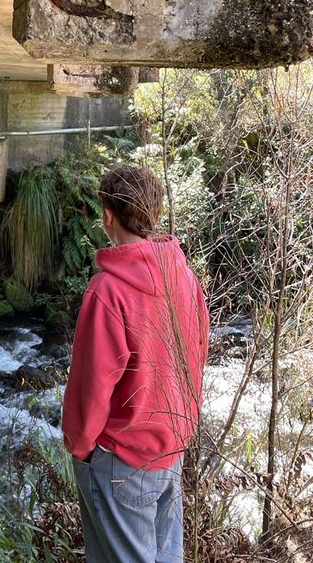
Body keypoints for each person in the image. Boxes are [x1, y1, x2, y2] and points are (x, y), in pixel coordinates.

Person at [62, 165, 209, 563]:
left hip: (121, 458)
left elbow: (91, 385)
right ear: (154, 214)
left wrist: (80, 448)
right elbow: (197, 354)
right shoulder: (184, 276)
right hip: (171, 447)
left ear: (108, 214)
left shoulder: (107, 291)